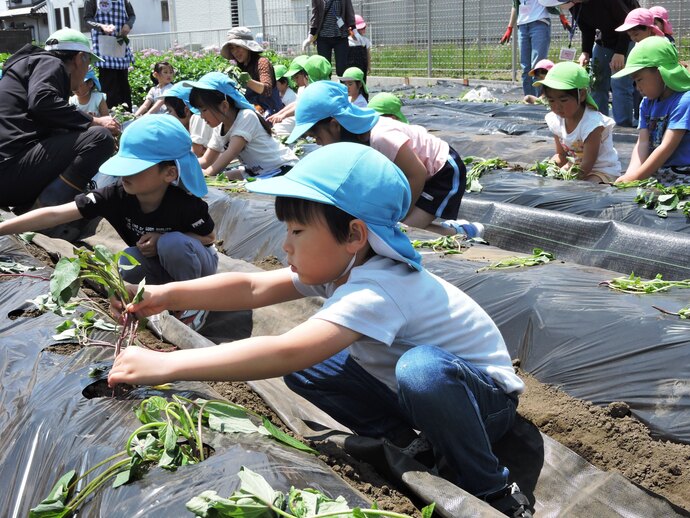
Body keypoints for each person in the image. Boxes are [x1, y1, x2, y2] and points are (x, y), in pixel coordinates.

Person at [107, 142, 531, 518]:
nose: (285, 246)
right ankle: (408, 440)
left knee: (418, 369)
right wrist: (166, 295)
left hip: (482, 405)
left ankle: (491, 487)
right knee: (314, 368)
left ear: (353, 234)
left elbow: (289, 349)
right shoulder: (345, 266)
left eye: (296, 231)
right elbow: (252, 286)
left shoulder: (380, 287)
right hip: (414, 396)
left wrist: (167, 364)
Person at [0, 115, 217, 329]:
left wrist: (162, 239)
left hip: (198, 269)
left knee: (172, 244)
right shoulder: (116, 195)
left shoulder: (186, 204)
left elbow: (209, 238)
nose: (124, 174)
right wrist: (2, 229)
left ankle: (194, 304)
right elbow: (55, 214)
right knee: (128, 260)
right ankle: (162, 300)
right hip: (160, 268)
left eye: (136, 167)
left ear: (169, 173)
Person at [287, 81, 482, 238]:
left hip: (442, 172)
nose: (317, 142)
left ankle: (461, 231)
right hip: (416, 174)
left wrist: (401, 215)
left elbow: (417, 173)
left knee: (404, 232)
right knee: (382, 227)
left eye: (316, 136)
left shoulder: (380, 136)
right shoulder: (355, 138)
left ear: (335, 125)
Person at [0, 28, 118, 222]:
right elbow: (42, 102)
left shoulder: (28, 67)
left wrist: (80, 124)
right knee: (100, 137)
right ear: (80, 58)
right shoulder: (50, 62)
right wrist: (94, 121)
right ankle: (43, 218)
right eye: (89, 63)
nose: (87, 71)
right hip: (8, 173)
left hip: (9, 172)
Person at [186, 72, 298, 179]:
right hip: (255, 172)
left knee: (213, 177)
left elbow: (231, 152)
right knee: (220, 177)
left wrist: (207, 173)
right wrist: (182, 166)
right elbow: (206, 160)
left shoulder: (246, 117)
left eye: (204, 110)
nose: (201, 116)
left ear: (224, 106)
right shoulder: (220, 127)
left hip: (281, 168)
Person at [612, 37, 690, 186]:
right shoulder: (647, 103)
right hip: (657, 171)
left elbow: (666, 147)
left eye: (640, 80)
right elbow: (642, 143)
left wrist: (636, 178)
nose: (637, 87)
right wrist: (631, 174)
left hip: (684, 174)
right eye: (634, 81)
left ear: (661, 73)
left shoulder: (684, 101)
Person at [534, 62, 621, 182]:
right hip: (575, 166)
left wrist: (567, 180)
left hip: (601, 171)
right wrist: (549, 168)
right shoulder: (555, 120)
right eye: (551, 100)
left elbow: (588, 164)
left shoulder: (592, 124)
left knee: (587, 186)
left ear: (582, 95)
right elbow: (561, 155)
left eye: (563, 100)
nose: (557, 106)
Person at [567, 0, 639, 128]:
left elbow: (627, 22)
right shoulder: (574, 4)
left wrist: (620, 52)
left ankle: (623, 125)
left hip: (628, 36)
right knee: (596, 82)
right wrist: (586, 52)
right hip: (604, 40)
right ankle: (599, 123)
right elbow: (587, 29)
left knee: (620, 82)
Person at [84, 0, 136, 110]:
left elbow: (132, 15)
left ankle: (127, 116)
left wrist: (128, 25)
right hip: (104, 46)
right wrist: (101, 26)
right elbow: (87, 19)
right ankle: (109, 116)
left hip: (119, 42)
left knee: (124, 86)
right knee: (108, 86)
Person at [221, 27, 284, 117]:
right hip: (251, 115)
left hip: (272, 115)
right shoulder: (239, 68)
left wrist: (248, 81)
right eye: (232, 48)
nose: (235, 51)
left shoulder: (261, 62)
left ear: (247, 47)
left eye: (238, 46)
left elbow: (267, 90)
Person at [267, 55, 332, 133]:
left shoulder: (317, 90)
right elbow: (298, 103)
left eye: (297, 77)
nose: (295, 80)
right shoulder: (303, 89)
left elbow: (301, 106)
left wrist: (283, 115)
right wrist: (279, 114)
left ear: (306, 73)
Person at [500, 0, 552, 98]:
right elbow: (515, 5)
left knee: (537, 66)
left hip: (539, 22)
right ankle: (529, 100)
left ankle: (540, 99)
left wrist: (562, 15)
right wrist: (509, 27)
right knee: (525, 67)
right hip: (522, 26)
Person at [304, 0, 356, 76]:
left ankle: (343, 87)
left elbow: (349, 11)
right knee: (325, 69)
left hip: (341, 37)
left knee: (342, 69)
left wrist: (355, 31)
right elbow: (315, 14)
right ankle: (326, 86)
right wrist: (311, 34)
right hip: (323, 38)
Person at [162, 82, 214, 158]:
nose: (168, 115)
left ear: (186, 110)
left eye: (170, 111)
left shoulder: (198, 118)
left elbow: (196, 153)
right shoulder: (188, 125)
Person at [347, 15, 371, 82]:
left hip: (362, 67)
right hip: (350, 67)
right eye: (361, 28)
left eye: (364, 27)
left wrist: (369, 66)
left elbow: (368, 54)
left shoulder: (365, 41)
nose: (363, 30)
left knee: (362, 82)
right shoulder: (347, 41)